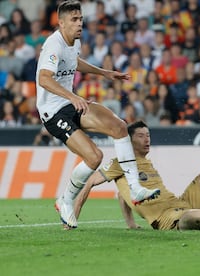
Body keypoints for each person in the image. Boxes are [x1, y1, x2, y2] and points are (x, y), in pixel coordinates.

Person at [35, 1, 160, 229]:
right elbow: (44, 78)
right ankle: (66, 200)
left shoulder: (75, 42)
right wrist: (72, 97)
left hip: (70, 102)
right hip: (52, 112)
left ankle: (135, 188)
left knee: (119, 126)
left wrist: (103, 72)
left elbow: (74, 62)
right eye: (74, 20)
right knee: (94, 157)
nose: (79, 23)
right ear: (61, 23)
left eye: (80, 18)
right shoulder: (53, 45)